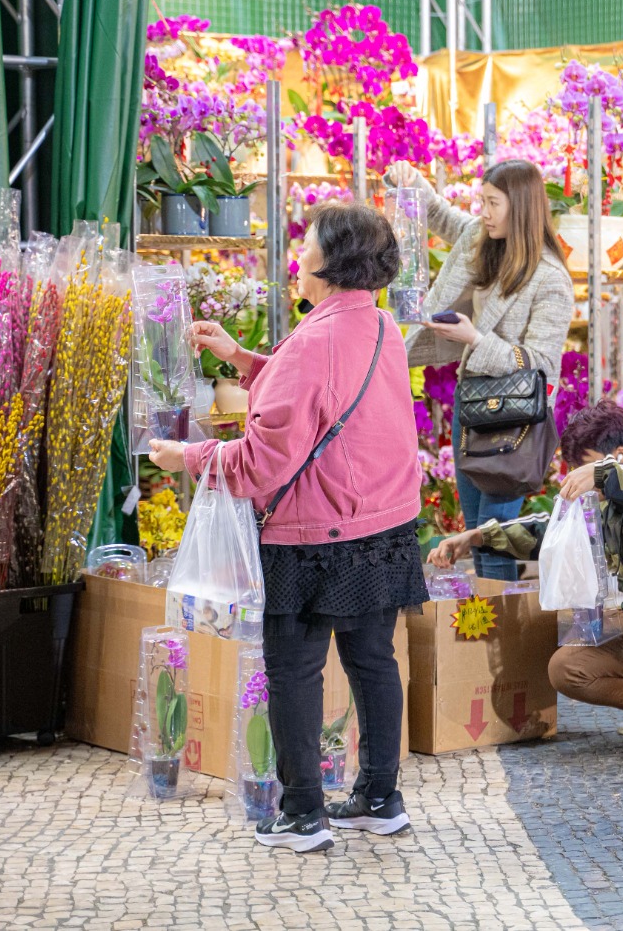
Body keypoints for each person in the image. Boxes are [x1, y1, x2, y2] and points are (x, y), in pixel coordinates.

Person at [149, 202, 426, 853]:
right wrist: (240, 356)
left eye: (306, 245)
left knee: (295, 669)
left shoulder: (310, 343)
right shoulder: (380, 324)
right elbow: (324, 392)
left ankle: (303, 814)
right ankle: (380, 799)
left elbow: (259, 463)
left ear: (330, 263)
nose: (296, 256)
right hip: (384, 528)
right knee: (373, 660)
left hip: (315, 538)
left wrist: (187, 457)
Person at [429, 401, 623, 756]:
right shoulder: (610, 502)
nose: (577, 476)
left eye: (583, 466)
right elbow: (553, 533)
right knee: (552, 624)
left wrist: (602, 475)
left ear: (619, 456)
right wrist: (477, 537)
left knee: (567, 669)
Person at [386, 158, 574, 580]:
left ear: (520, 207)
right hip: (472, 405)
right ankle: (485, 616)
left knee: (494, 534)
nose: (484, 212)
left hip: (515, 419)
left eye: (493, 203)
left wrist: (474, 339)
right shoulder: (482, 238)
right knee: (475, 532)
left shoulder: (550, 279)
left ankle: (502, 619)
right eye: (482, 201)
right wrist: (411, 180)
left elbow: (542, 364)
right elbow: (442, 216)